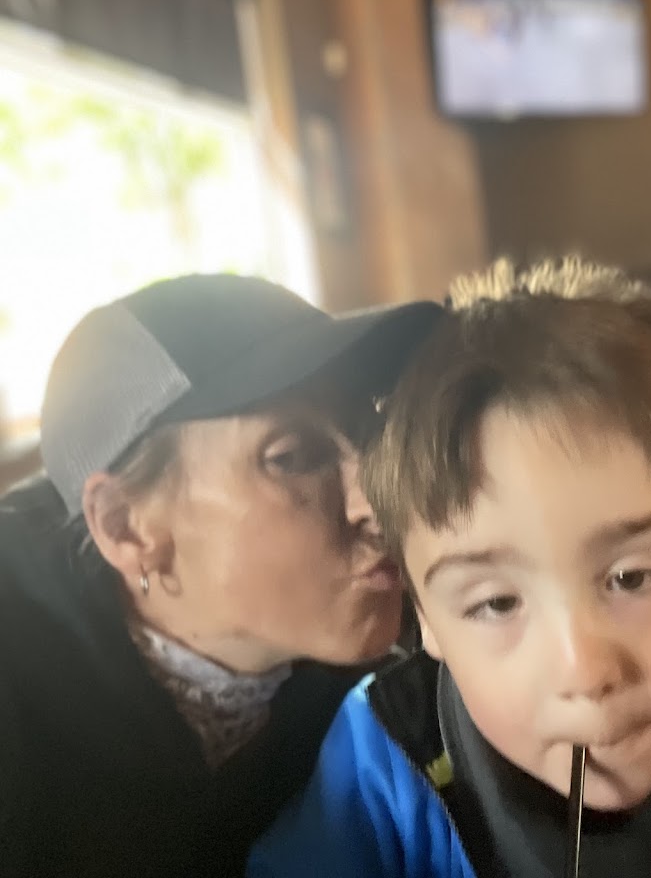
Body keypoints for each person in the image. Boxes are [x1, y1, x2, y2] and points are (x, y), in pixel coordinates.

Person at [249, 256, 651, 878]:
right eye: (497, 603)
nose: (585, 672)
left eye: (631, 578)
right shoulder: (384, 756)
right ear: (426, 619)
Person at [0, 271, 441, 878]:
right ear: (128, 527)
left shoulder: (410, 638)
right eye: (291, 457)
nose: (378, 498)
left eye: (370, 431)